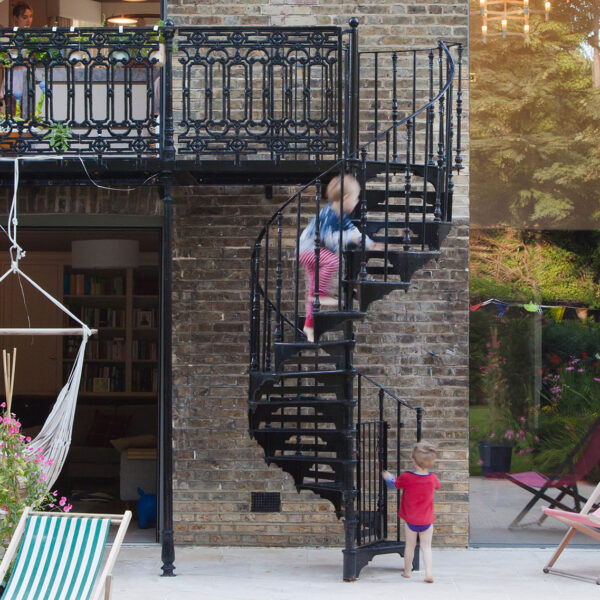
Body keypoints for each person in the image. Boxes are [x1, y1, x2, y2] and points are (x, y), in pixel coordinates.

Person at [297, 173, 382, 342]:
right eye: (356, 198)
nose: (357, 202)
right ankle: (320, 294)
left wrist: (370, 244)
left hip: (313, 251)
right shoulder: (329, 213)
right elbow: (326, 237)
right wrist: (349, 237)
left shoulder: (342, 216)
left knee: (312, 293)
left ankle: (308, 327)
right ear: (346, 197)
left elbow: (355, 232)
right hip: (308, 249)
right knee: (333, 261)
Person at [382, 441, 441, 583]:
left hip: (411, 520)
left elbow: (393, 484)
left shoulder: (407, 477)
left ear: (413, 461)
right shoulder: (432, 478)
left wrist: (387, 476)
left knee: (410, 546)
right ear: (431, 462)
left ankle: (407, 572)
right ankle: (429, 574)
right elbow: (438, 486)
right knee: (426, 547)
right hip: (427, 520)